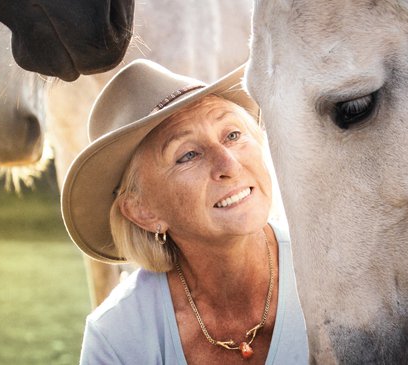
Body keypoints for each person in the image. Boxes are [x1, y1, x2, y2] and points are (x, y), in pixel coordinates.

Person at [61, 59, 309, 364]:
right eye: (188, 154)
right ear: (143, 211)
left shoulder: (341, 273)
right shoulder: (117, 338)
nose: (228, 164)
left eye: (232, 135)